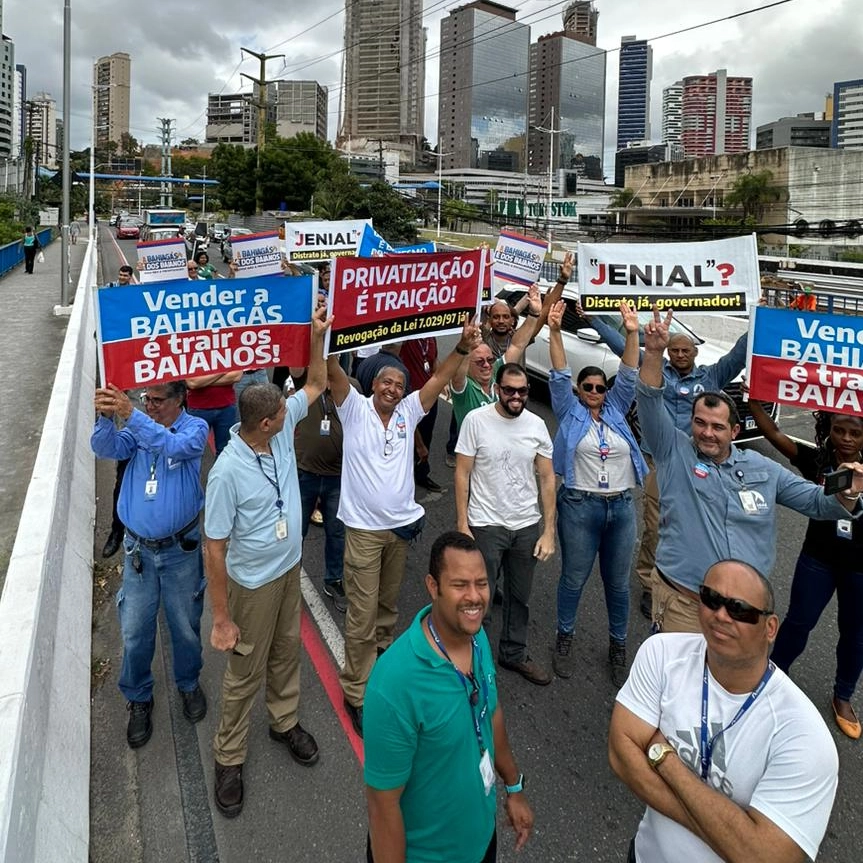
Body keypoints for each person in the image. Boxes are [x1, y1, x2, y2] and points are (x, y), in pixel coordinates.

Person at [636, 307, 863, 634]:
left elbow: (817, 500)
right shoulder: (674, 452)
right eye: (699, 423)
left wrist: (848, 486)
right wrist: (655, 353)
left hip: (745, 612)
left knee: (732, 683)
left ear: (735, 431)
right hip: (684, 603)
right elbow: (648, 401)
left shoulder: (762, 469)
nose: (707, 433)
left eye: (717, 426)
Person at [609, 559, 838, 863]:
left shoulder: (805, 736)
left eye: (739, 609)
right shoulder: (662, 653)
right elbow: (621, 757)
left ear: (770, 628)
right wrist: (724, 833)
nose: (720, 615)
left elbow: (764, 858)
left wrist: (664, 758)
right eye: (711, 599)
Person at [327, 315, 482, 738]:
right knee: (360, 614)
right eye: (386, 381)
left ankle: (379, 669)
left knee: (386, 609)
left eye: (399, 384)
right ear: (372, 382)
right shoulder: (353, 407)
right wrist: (324, 330)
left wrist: (463, 347)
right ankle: (356, 692)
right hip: (361, 532)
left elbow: (441, 377)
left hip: (398, 532)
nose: (393, 388)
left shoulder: (409, 411)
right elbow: (331, 370)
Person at [204, 307, 331, 818]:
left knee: (285, 652)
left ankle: (284, 722)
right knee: (244, 669)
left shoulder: (279, 426)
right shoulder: (227, 473)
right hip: (251, 584)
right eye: (283, 416)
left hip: (287, 570)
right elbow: (214, 547)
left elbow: (317, 382)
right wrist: (221, 617)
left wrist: (316, 337)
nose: (290, 418)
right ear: (263, 422)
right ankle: (228, 755)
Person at [364, 531, 534, 863]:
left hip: (481, 842)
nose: (475, 597)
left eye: (482, 583)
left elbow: (490, 713)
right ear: (432, 586)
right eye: (460, 585)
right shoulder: (394, 683)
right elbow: (383, 807)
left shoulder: (477, 638)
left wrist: (513, 786)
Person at [582, 303, 749, 619]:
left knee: (702, 523)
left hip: (701, 465)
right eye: (676, 351)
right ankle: (648, 583)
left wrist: (760, 321)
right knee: (656, 526)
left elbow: (738, 355)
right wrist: (593, 319)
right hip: (660, 462)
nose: (681, 355)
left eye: (686, 350)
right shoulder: (655, 367)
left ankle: (697, 578)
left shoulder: (712, 376)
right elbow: (621, 347)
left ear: (695, 353)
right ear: (668, 353)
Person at [91, 380, 209, 749]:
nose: (150, 405)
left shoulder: (195, 429)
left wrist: (131, 415)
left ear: (180, 400)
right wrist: (106, 416)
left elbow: (170, 444)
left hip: (180, 552)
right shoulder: (139, 429)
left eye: (158, 400)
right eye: (146, 399)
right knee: (135, 630)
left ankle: (188, 684)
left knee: (185, 625)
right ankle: (139, 697)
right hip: (139, 552)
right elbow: (104, 446)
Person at [748, 400, 863, 739]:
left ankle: (842, 696)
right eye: (839, 430)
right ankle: (772, 676)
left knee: (855, 635)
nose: (846, 438)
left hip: (860, 568)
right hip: (818, 559)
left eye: (855, 433)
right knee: (798, 623)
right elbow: (773, 434)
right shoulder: (818, 461)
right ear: (828, 429)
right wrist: (755, 400)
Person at [547, 299, 647, 686]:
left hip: (621, 508)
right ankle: (565, 637)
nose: (594, 391)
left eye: (599, 387)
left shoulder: (617, 410)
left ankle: (618, 645)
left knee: (618, 584)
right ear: (579, 390)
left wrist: (632, 331)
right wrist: (554, 331)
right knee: (573, 579)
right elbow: (558, 373)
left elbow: (630, 372)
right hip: (579, 507)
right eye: (587, 386)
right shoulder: (569, 410)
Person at [455, 362, 556, 686]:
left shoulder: (537, 425)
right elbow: (462, 473)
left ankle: (513, 653)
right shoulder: (476, 421)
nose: (516, 396)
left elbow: (547, 478)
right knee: (478, 598)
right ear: (497, 389)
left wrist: (549, 531)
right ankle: (471, 659)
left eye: (522, 391)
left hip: (526, 525)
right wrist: (462, 523)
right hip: (486, 524)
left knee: (519, 596)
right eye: (509, 390)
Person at [101, 264, 140, 559]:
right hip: (131, 425)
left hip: (160, 422)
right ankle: (118, 528)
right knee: (123, 476)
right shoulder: (115, 343)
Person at [401, 336, 445, 493]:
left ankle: (421, 474)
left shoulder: (431, 338)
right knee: (407, 436)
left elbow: (434, 361)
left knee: (426, 436)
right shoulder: (407, 339)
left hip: (430, 397)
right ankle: (401, 479)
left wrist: (439, 379)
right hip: (411, 397)